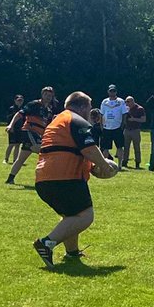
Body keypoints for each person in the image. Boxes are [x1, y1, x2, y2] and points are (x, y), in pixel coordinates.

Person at [32, 91, 120, 268]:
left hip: (44, 178)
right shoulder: (77, 120)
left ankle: (72, 252)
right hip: (65, 178)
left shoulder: (59, 120)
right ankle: (46, 243)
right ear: (82, 106)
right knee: (85, 216)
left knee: (71, 215)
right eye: (89, 107)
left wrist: (90, 167)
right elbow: (89, 149)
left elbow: (67, 149)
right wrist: (104, 165)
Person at [6, 87, 55, 185]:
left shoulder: (48, 110)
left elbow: (46, 126)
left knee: (21, 159)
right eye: (46, 94)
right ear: (42, 95)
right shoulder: (34, 104)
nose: (48, 97)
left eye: (50, 95)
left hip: (37, 135)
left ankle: (10, 179)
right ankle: (47, 179)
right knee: (45, 152)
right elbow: (19, 114)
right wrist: (11, 125)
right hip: (30, 132)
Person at [99, 85, 127, 161]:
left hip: (117, 127)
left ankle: (120, 164)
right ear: (108, 91)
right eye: (111, 91)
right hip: (106, 127)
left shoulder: (121, 101)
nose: (112, 93)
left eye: (114, 91)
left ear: (116, 92)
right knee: (105, 147)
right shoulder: (104, 102)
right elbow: (101, 114)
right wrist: (101, 125)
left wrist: (122, 125)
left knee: (120, 146)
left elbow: (124, 114)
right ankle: (105, 163)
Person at [121, 95, 146, 168]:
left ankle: (137, 162)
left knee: (136, 147)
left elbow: (143, 119)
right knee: (126, 147)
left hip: (135, 130)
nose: (126, 103)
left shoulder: (139, 109)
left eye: (128, 102)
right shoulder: (126, 109)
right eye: (126, 102)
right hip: (127, 130)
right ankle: (124, 161)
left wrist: (134, 119)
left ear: (132, 101)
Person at [4, 93, 25, 164]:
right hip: (13, 129)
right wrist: (10, 127)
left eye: (21, 100)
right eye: (18, 100)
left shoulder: (23, 109)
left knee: (18, 145)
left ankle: (15, 160)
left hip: (20, 129)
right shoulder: (12, 109)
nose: (20, 102)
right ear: (15, 101)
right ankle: (6, 159)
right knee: (11, 144)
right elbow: (9, 119)